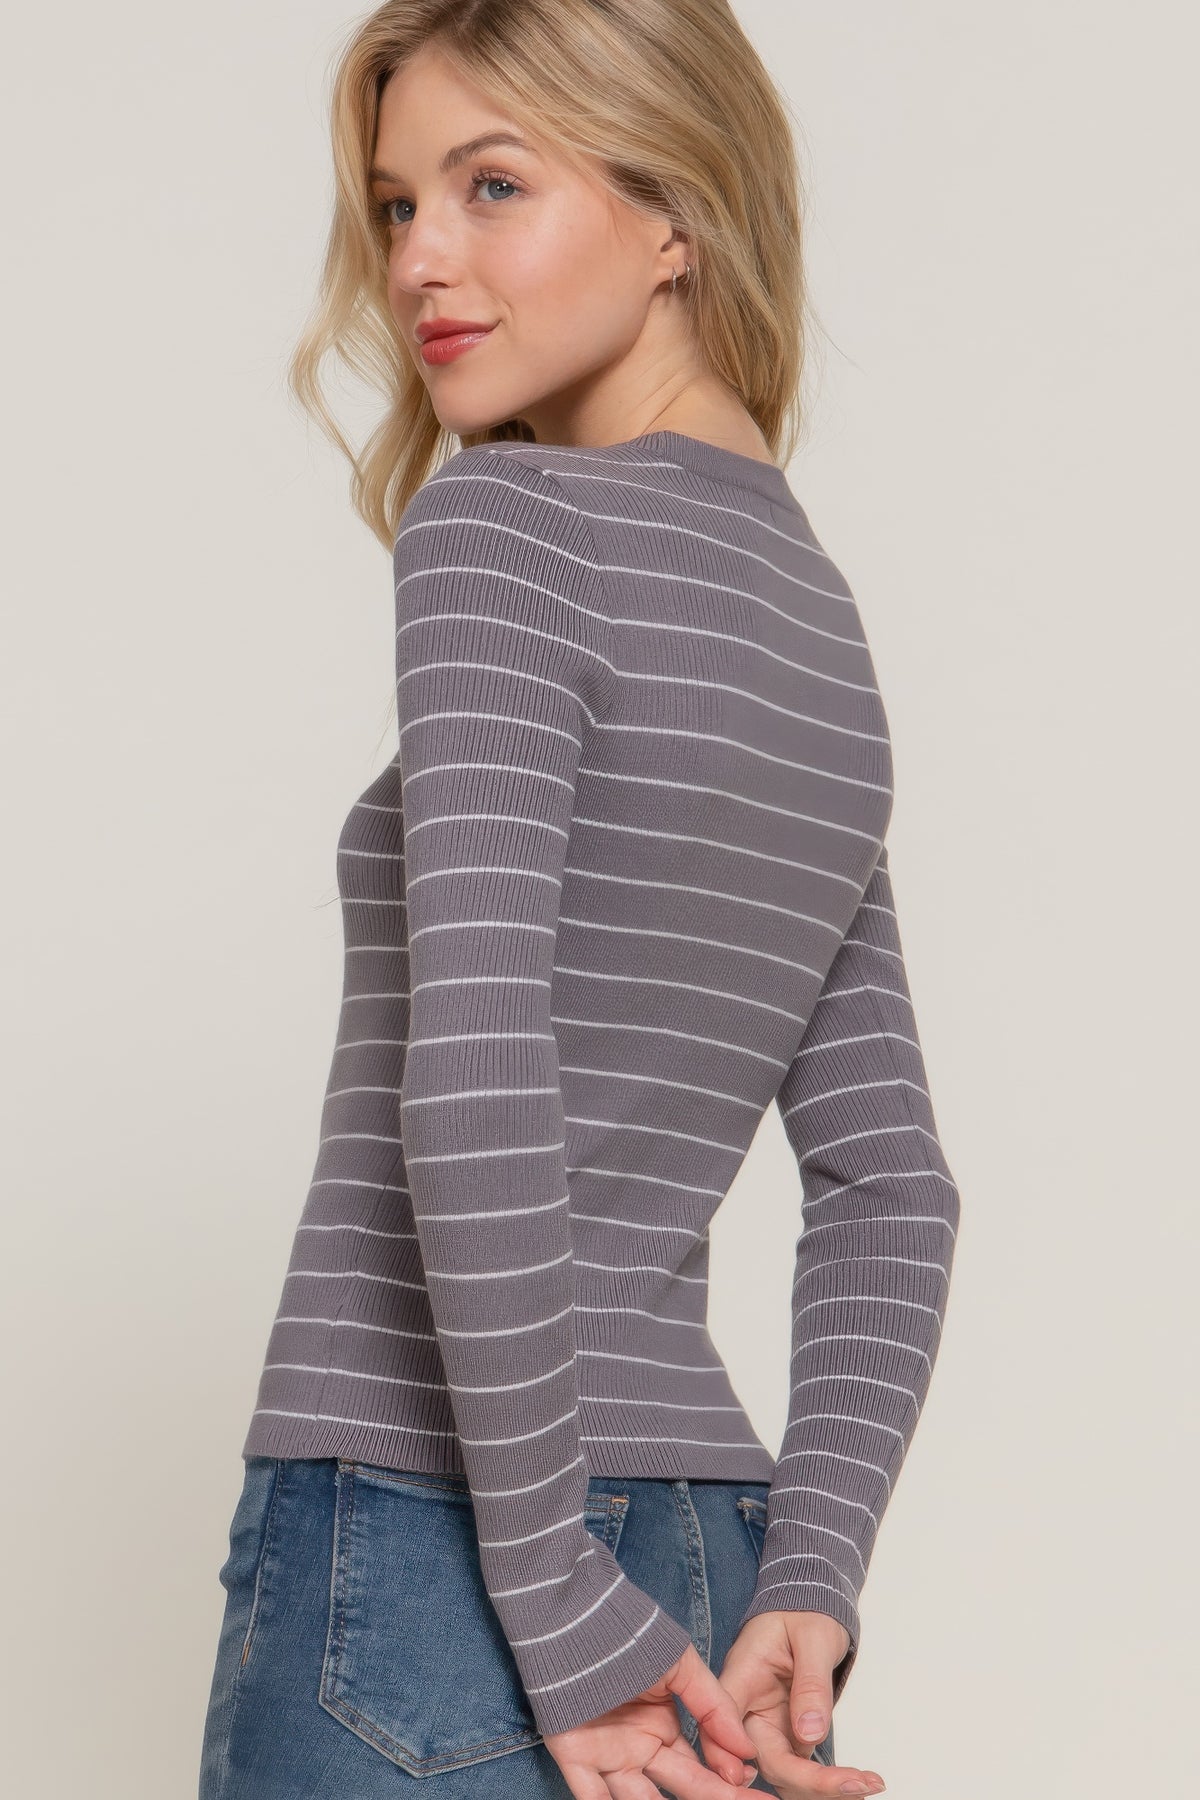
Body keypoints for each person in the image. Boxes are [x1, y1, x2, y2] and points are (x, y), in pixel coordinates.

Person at [198, 3, 960, 1797]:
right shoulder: (818, 622)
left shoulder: (507, 530)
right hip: (710, 1564)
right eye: (398, 204)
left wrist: (545, 1579)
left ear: (677, 211)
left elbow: (478, 1080)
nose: (419, 260)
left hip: (442, 1533)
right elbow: (892, 1180)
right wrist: (812, 1577)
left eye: (492, 186)